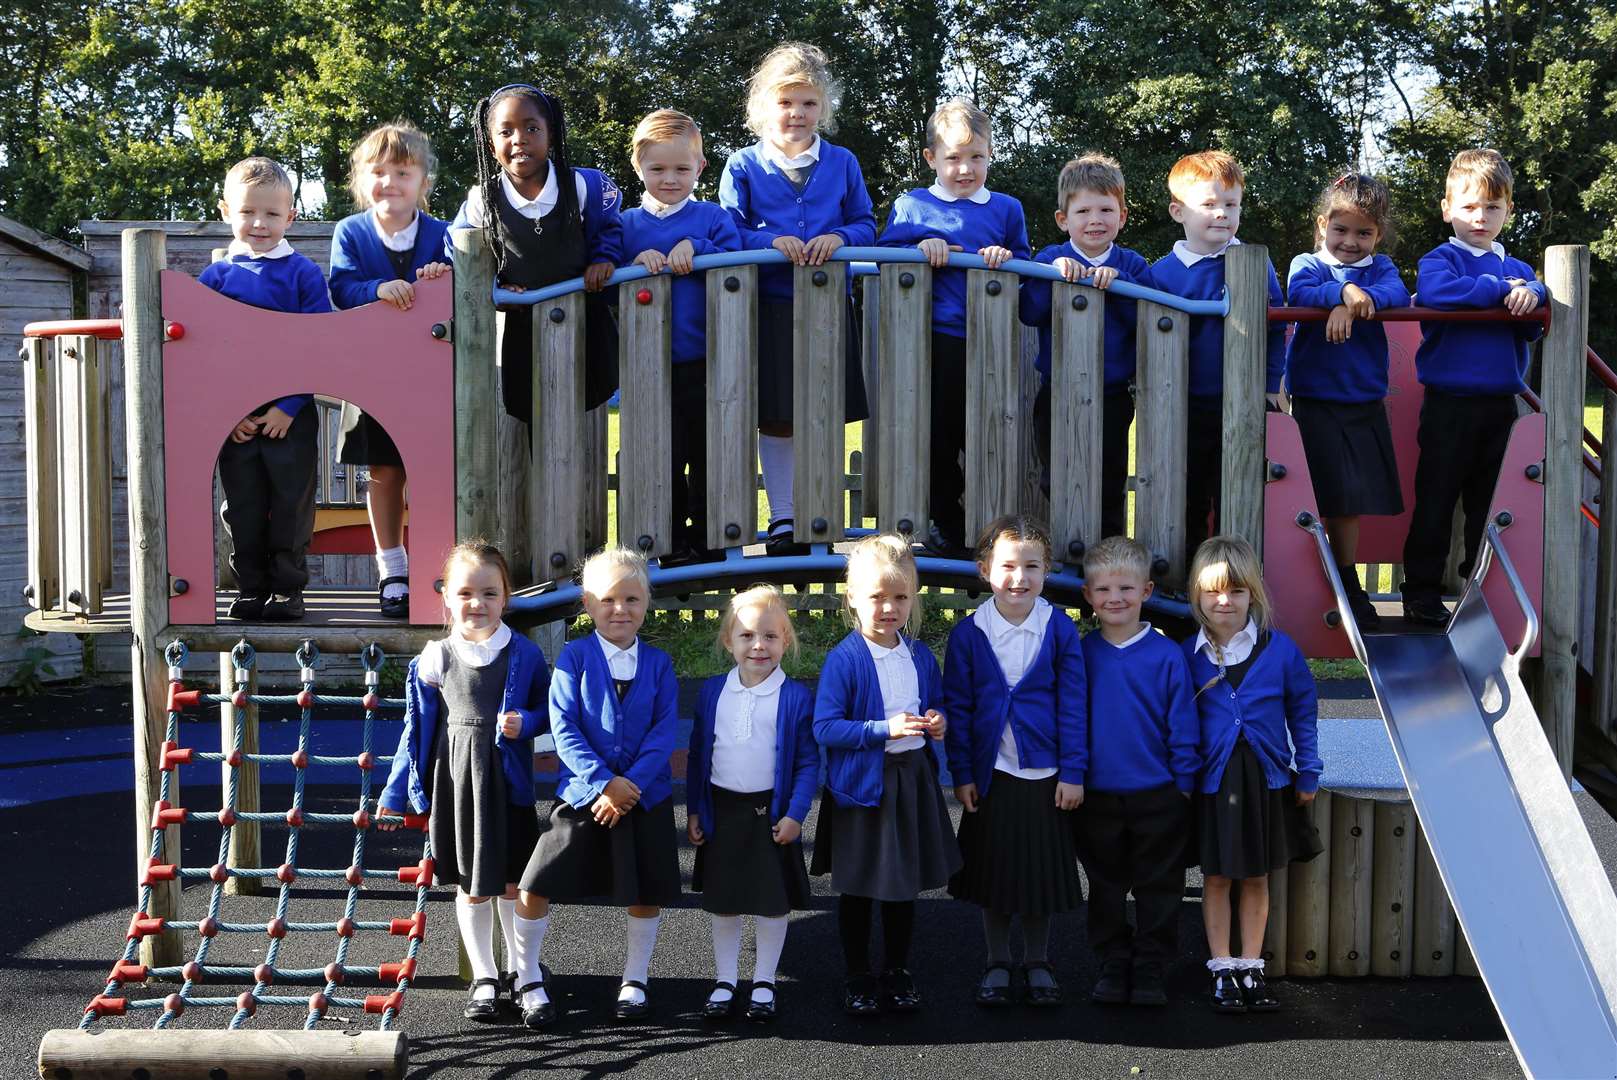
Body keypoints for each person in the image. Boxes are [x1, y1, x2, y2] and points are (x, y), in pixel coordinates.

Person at [376, 541, 550, 1022]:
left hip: (508, 783)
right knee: (473, 885)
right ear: (446, 597)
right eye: (466, 592)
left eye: (489, 593)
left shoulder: (525, 654)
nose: (478, 603)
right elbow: (416, 731)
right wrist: (395, 795)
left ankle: (523, 971)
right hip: (458, 784)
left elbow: (548, 713)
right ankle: (485, 975)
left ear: (505, 597)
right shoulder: (436, 657)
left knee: (516, 881)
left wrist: (525, 723)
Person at [719, 42, 875, 554]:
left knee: (823, 411)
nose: (796, 113)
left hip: (828, 306)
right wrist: (769, 242)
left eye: (808, 103)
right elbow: (727, 231)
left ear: (822, 108)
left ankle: (820, 512)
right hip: (766, 305)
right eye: (786, 103)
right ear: (764, 107)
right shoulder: (743, 164)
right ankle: (785, 518)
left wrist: (842, 238)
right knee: (777, 415)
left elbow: (867, 223)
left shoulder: (844, 161)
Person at [518, 547, 680, 1024]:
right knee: (535, 881)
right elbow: (563, 727)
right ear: (588, 604)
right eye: (608, 600)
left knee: (645, 890)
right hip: (585, 794)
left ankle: (635, 979)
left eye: (631, 600)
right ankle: (527, 976)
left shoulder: (659, 663)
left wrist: (630, 785)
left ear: (646, 603)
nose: (620, 610)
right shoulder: (574, 657)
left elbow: (664, 730)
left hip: (643, 796)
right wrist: (604, 783)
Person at [811, 534, 961, 1015]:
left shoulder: (918, 656)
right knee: (858, 887)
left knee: (902, 886)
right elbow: (826, 727)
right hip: (863, 789)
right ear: (852, 597)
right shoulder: (845, 660)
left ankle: (896, 969)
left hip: (911, 781)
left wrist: (938, 722)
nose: (889, 608)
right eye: (877, 597)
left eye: (900, 597)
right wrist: (882, 729)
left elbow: (936, 705)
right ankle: (857, 974)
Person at [943, 515, 1086, 1007]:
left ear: (1047, 571)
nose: (1019, 578)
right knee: (996, 872)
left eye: (1032, 566)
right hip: (993, 774)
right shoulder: (968, 635)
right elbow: (958, 710)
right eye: (1008, 566)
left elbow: (1073, 705)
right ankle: (998, 960)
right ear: (985, 570)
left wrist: (1073, 772)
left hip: (1046, 775)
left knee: (1037, 874)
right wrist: (962, 773)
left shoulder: (1060, 630)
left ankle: (1038, 960)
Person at [879, 98, 1031, 556]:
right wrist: (920, 245)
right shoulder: (912, 205)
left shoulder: (1005, 209)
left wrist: (1006, 258)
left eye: (976, 158)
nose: (965, 169)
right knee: (939, 433)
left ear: (989, 155)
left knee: (989, 432)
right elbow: (884, 254)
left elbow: (1026, 259)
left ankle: (991, 529)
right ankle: (946, 521)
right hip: (935, 337)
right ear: (931, 159)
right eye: (953, 159)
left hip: (993, 338)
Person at [1400, 148, 1546, 627]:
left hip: (1499, 406)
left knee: (1490, 504)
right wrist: (1500, 291)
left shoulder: (1520, 270)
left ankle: (1478, 588)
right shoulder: (1441, 260)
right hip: (1448, 404)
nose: (1480, 217)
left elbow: (1530, 328)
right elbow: (1440, 296)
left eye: (1492, 208)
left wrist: (1534, 296)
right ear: (1447, 209)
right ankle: (1421, 591)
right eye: (1468, 207)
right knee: (1437, 499)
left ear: (1508, 212)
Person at [1183, 535, 1323, 1013]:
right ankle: (1221, 967)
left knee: (1258, 876)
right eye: (1213, 591)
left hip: (1266, 781)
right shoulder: (1188, 655)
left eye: (1237, 591)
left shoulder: (1280, 651)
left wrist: (1309, 770)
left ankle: (1249, 965)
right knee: (1218, 876)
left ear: (1254, 594)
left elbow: (1303, 713)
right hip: (1215, 783)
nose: (1225, 601)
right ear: (1197, 595)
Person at [326, 123, 453, 617]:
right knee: (382, 470)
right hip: (372, 373)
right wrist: (378, 288)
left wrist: (443, 276)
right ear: (361, 180)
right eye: (378, 172)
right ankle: (392, 567)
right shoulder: (351, 233)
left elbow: (459, 293)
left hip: (429, 375)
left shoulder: (443, 233)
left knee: (430, 471)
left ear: (424, 181)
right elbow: (341, 290)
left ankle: (431, 564)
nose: (390, 183)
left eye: (403, 172)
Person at [200, 156, 332, 622]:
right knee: (243, 506)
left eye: (273, 214)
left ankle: (288, 591)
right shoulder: (215, 279)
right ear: (225, 211)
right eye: (248, 212)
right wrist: (227, 412)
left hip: (289, 415)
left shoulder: (303, 274)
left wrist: (290, 406)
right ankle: (251, 588)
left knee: (291, 504)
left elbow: (319, 347)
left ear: (291, 217)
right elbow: (202, 351)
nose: (259, 223)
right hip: (236, 418)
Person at [1146, 151, 1286, 565]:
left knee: (1238, 488)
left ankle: (1235, 572)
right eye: (1208, 204)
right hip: (1184, 402)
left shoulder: (1255, 263)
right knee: (1186, 489)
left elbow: (1276, 329)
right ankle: (1186, 570)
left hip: (1242, 400)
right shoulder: (1162, 274)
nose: (1222, 214)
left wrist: (1269, 384)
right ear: (1178, 211)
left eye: (1231, 204)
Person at [452, 83, 623, 423]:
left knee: (585, 413)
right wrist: (496, 285)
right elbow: (460, 253)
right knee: (532, 414)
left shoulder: (582, 185)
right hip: (523, 324)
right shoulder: (481, 200)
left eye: (532, 128)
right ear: (490, 144)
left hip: (585, 314)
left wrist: (603, 258)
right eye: (506, 131)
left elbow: (611, 227)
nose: (519, 138)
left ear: (552, 135)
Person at [1075, 535, 1199, 1006]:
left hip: (1159, 794)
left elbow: (1182, 724)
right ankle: (1112, 959)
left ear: (1146, 592)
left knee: (1159, 885)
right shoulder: (1082, 654)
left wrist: (1184, 785)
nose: (1115, 599)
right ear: (1088, 596)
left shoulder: (1167, 656)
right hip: (1097, 795)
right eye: (1104, 590)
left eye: (1126, 589)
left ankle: (1150, 964)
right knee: (1106, 885)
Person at [1284, 172, 1411, 630]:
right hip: (1316, 400)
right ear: (1322, 226)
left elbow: (1396, 294)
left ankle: (1346, 578)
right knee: (1317, 496)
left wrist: (1356, 299)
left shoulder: (1381, 271)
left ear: (1378, 234)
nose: (1351, 242)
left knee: (1350, 500)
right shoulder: (1309, 264)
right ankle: (1322, 578)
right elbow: (1297, 292)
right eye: (1341, 230)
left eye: (1364, 233)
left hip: (1363, 401)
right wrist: (1341, 292)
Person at [686, 585, 817, 1023]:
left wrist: (796, 813)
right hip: (721, 812)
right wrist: (693, 809)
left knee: (770, 901)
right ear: (729, 642)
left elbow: (806, 763)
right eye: (746, 636)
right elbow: (698, 753)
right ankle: (725, 980)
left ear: (786, 639)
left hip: (770, 816)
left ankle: (764, 980)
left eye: (770, 636)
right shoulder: (711, 693)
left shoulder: (795, 697)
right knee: (725, 901)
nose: (758, 646)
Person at [621, 109, 743, 563]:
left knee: (707, 450)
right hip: (648, 363)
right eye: (657, 169)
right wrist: (634, 264)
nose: (669, 179)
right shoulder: (627, 224)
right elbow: (605, 268)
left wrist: (701, 248)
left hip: (707, 359)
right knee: (661, 451)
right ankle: (667, 539)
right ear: (638, 167)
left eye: (681, 169)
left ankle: (708, 539)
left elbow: (737, 257)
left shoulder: (712, 218)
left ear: (700, 168)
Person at [1019, 153, 1150, 538]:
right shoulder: (1049, 259)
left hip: (1111, 395)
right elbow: (1029, 311)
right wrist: (1051, 279)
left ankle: (1107, 553)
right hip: (1056, 392)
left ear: (1122, 217)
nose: (1095, 220)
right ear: (1064, 220)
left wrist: (1120, 284)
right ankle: (1065, 549)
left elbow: (1149, 323)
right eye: (1083, 211)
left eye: (1106, 210)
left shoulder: (1132, 265)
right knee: (1054, 476)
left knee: (1109, 481)